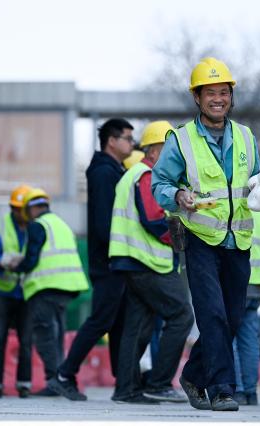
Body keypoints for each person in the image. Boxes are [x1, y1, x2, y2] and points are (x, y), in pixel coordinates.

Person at [152, 57, 260, 412]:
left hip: (238, 240)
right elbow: (160, 184)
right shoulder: (181, 140)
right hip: (200, 239)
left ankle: (192, 374)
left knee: (232, 317)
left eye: (224, 92)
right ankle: (222, 389)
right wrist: (178, 196)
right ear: (197, 99)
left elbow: (257, 180)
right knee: (213, 314)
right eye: (210, 93)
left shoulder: (246, 136)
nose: (218, 99)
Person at [48, 118, 134, 401]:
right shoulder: (103, 172)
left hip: (117, 259)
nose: (131, 144)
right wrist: (118, 251)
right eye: (127, 139)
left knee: (118, 321)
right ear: (112, 141)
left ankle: (125, 383)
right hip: (110, 260)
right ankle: (64, 374)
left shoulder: (114, 170)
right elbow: (103, 222)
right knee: (100, 320)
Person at [109, 121, 194, 405]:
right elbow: (153, 219)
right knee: (181, 315)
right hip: (147, 261)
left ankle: (127, 389)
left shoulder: (134, 174)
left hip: (134, 260)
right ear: (156, 151)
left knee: (138, 326)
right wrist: (181, 238)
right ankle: (158, 383)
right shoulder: (147, 174)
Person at [14, 188, 89, 392]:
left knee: (45, 334)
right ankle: (61, 378)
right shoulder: (61, 224)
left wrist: (16, 266)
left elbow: (32, 259)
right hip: (67, 286)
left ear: (31, 209)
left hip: (46, 286)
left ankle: (54, 381)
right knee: (57, 333)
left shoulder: (38, 225)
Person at [0, 185, 33, 398]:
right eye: (16, 208)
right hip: (3, 291)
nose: (19, 212)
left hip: (27, 292)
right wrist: (2, 262)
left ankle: (24, 385)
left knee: (27, 340)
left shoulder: (37, 227)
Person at [233, 208, 260, 406]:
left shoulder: (236, 200)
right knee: (249, 335)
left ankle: (237, 389)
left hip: (239, 276)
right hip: (259, 277)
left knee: (228, 333)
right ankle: (250, 391)